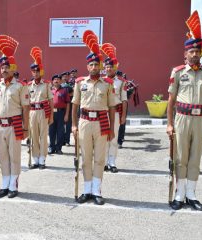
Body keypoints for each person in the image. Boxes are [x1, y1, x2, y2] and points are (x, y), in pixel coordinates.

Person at [167, 11, 202, 211]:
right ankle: (179, 193)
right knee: (180, 157)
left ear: (201, 52)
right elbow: (171, 100)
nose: (195, 54)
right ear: (185, 54)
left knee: (195, 157)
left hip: (200, 120)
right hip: (182, 118)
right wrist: (169, 123)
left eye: (198, 51)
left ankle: (191, 194)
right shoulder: (178, 72)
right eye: (191, 51)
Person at [72, 30, 118, 205]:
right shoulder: (79, 83)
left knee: (99, 157)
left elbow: (112, 107)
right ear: (87, 66)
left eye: (96, 65)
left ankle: (97, 190)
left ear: (100, 66)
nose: (94, 67)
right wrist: (74, 126)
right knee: (85, 158)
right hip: (84, 122)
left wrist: (113, 129)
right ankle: (86, 189)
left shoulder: (108, 84)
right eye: (91, 65)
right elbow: (75, 104)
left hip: (101, 123)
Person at [0, 35, 30, 198]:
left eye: (7, 67)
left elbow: (26, 108)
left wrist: (26, 127)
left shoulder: (21, 86)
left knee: (14, 156)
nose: (4, 70)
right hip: (1, 125)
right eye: (2, 67)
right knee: (3, 155)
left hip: (15, 125)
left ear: (13, 69)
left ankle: (13, 185)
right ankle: (5, 184)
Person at [101, 43, 127, 173]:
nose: (109, 69)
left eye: (111, 67)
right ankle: (104, 162)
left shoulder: (121, 82)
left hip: (116, 113)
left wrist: (123, 116)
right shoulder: (101, 81)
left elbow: (124, 100)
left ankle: (112, 162)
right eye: (107, 67)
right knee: (103, 138)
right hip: (103, 113)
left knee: (114, 137)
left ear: (115, 68)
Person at [28, 47, 54, 169]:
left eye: (37, 71)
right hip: (32, 112)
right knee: (33, 135)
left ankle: (42, 159)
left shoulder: (47, 84)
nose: (36, 73)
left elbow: (51, 100)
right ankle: (35, 159)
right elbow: (26, 101)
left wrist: (52, 116)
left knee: (43, 136)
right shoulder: (28, 85)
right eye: (33, 71)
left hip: (44, 111)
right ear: (31, 72)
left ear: (41, 72)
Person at [48, 74, 70, 155]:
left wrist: (67, 115)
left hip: (61, 113)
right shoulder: (49, 90)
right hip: (51, 113)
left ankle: (58, 148)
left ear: (60, 81)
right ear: (52, 81)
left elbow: (68, 103)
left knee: (60, 131)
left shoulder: (64, 91)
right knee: (51, 131)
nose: (56, 81)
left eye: (58, 79)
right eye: (55, 79)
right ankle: (51, 147)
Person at [61, 71, 73, 146]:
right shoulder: (59, 86)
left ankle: (67, 140)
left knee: (68, 125)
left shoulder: (70, 86)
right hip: (61, 107)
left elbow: (72, 94)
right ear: (61, 78)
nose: (65, 78)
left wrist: (66, 95)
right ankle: (62, 140)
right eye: (63, 77)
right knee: (61, 125)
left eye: (66, 76)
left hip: (69, 107)